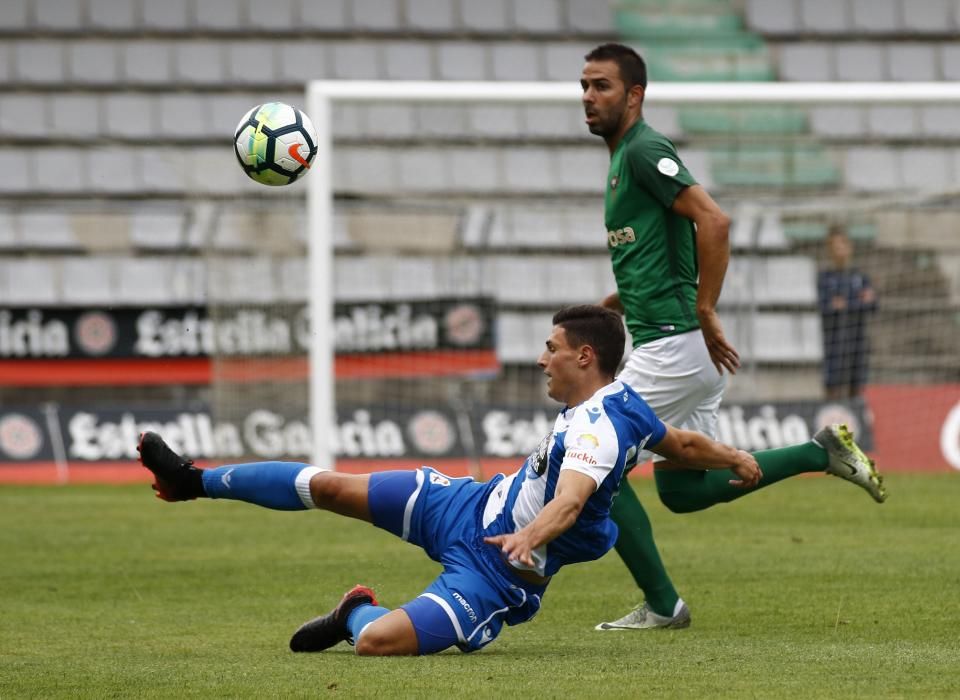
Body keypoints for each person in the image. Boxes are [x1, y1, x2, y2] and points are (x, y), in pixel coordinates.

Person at [139, 305, 769, 656]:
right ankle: (192, 480)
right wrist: (734, 455)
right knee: (333, 487)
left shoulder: (595, 432)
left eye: (550, 347)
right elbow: (679, 442)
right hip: (466, 504)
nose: (541, 357)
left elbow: (572, 502)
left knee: (377, 645)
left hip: (495, 572)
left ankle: (356, 612)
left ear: (583, 356)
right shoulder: (625, 403)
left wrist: (528, 539)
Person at [580, 43, 887, 631]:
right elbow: (655, 250)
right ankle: (815, 452)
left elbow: (713, 220)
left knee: (592, 460)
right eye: (585, 87)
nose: (590, 98)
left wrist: (705, 306)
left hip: (675, 343)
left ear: (634, 95)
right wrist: (619, 299)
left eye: (602, 86)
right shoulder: (624, 159)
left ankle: (665, 606)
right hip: (679, 344)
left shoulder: (645, 150)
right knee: (683, 490)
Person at [818, 225, 878, 400]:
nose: (839, 250)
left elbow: (873, 304)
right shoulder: (825, 278)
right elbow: (827, 306)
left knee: (856, 388)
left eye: (842, 245)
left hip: (857, 342)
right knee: (833, 389)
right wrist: (857, 302)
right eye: (835, 246)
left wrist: (848, 303)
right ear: (830, 250)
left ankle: (852, 425)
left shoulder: (859, 276)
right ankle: (833, 423)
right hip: (834, 342)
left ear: (849, 247)